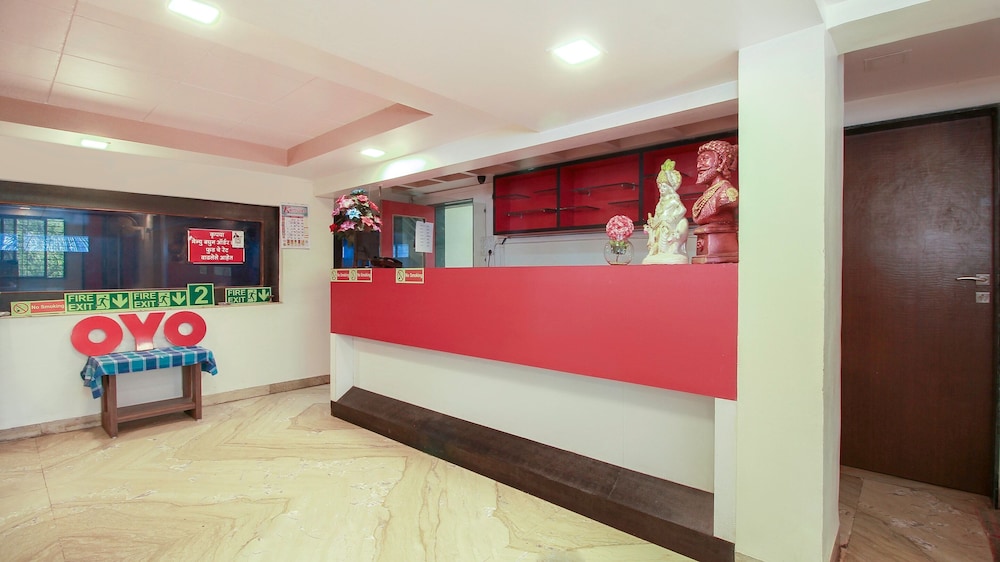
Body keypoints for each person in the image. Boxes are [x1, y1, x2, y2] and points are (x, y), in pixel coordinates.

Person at [642, 159, 689, 264]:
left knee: (665, 244)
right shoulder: (660, 202)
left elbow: (682, 209)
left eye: (664, 186)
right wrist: (653, 221)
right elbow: (657, 213)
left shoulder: (673, 199)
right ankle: (658, 252)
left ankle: (670, 251)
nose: (661, 189)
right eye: (659, 187)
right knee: (657, 243)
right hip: (659, 226)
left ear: (669, 187)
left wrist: (673, 218)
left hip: (668, 226)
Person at [692, 140, 738, 226]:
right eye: (698, 161)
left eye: (705, 159)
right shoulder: (709, 193)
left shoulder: (725, 191)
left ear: (721, 161)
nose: (698, 166)